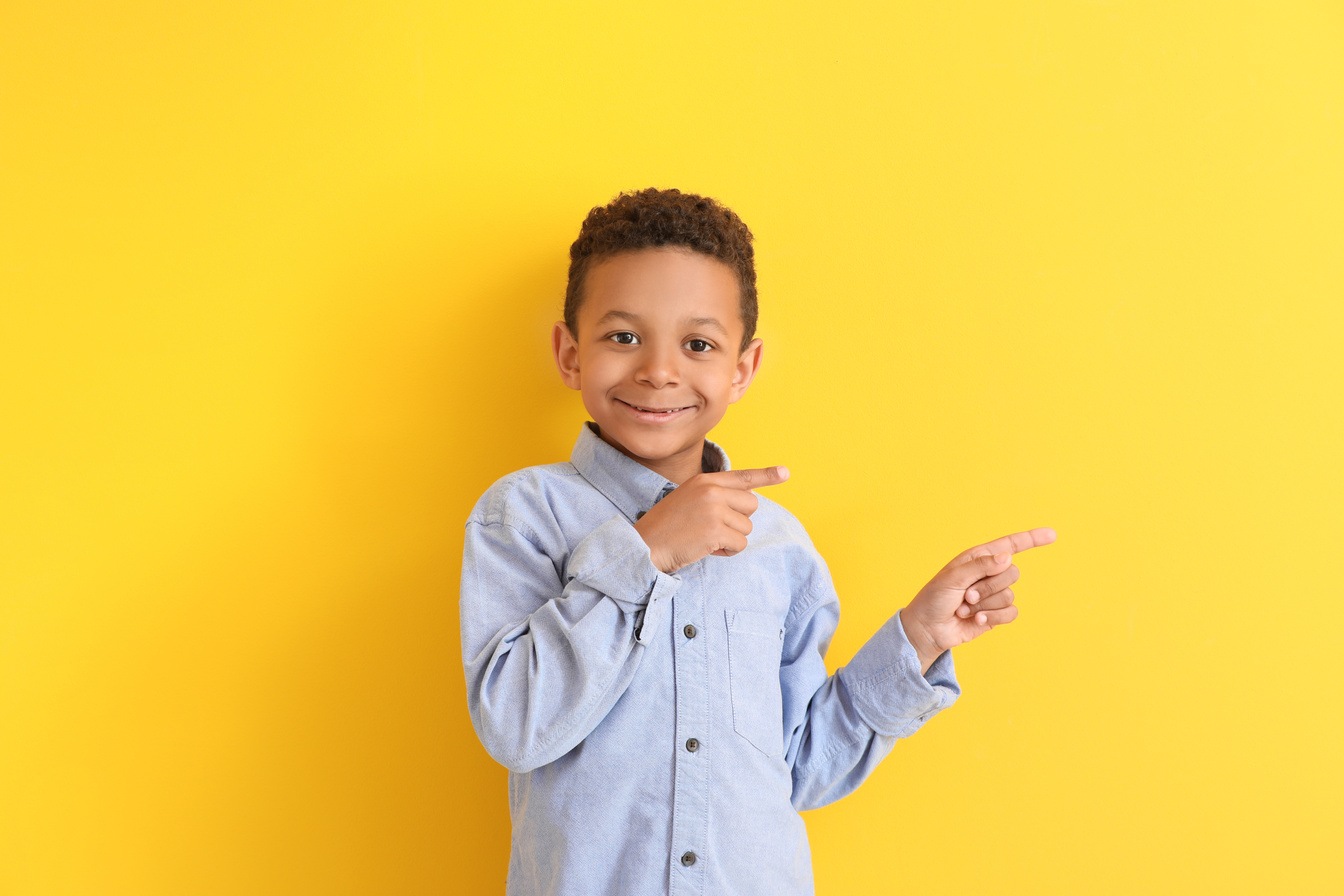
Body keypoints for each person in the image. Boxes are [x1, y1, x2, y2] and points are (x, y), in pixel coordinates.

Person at [460, 188, 1055, 896]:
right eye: (623, 336)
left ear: (741, 367)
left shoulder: (780, 547)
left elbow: (801, 766)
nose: (658, 369)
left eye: (699, 344)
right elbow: (516, 727)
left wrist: (918, 640)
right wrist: (646, 555)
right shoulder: (522, 515)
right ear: (568, 352)